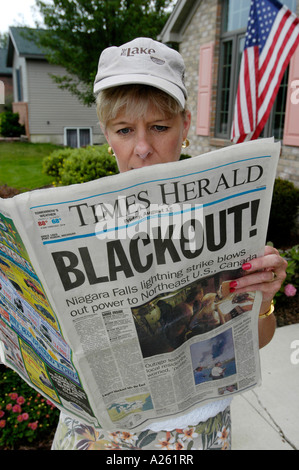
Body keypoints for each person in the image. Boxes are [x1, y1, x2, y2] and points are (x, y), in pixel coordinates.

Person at [51, 37, 287, 451]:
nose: (142, 148)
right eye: (125, 130)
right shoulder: (72, 221)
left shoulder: (223, 214)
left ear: (184, 127)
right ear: (107, 135)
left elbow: (258, 338)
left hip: (192, 429)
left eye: (159, 127)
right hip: (96, 429)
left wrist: (264, 299)